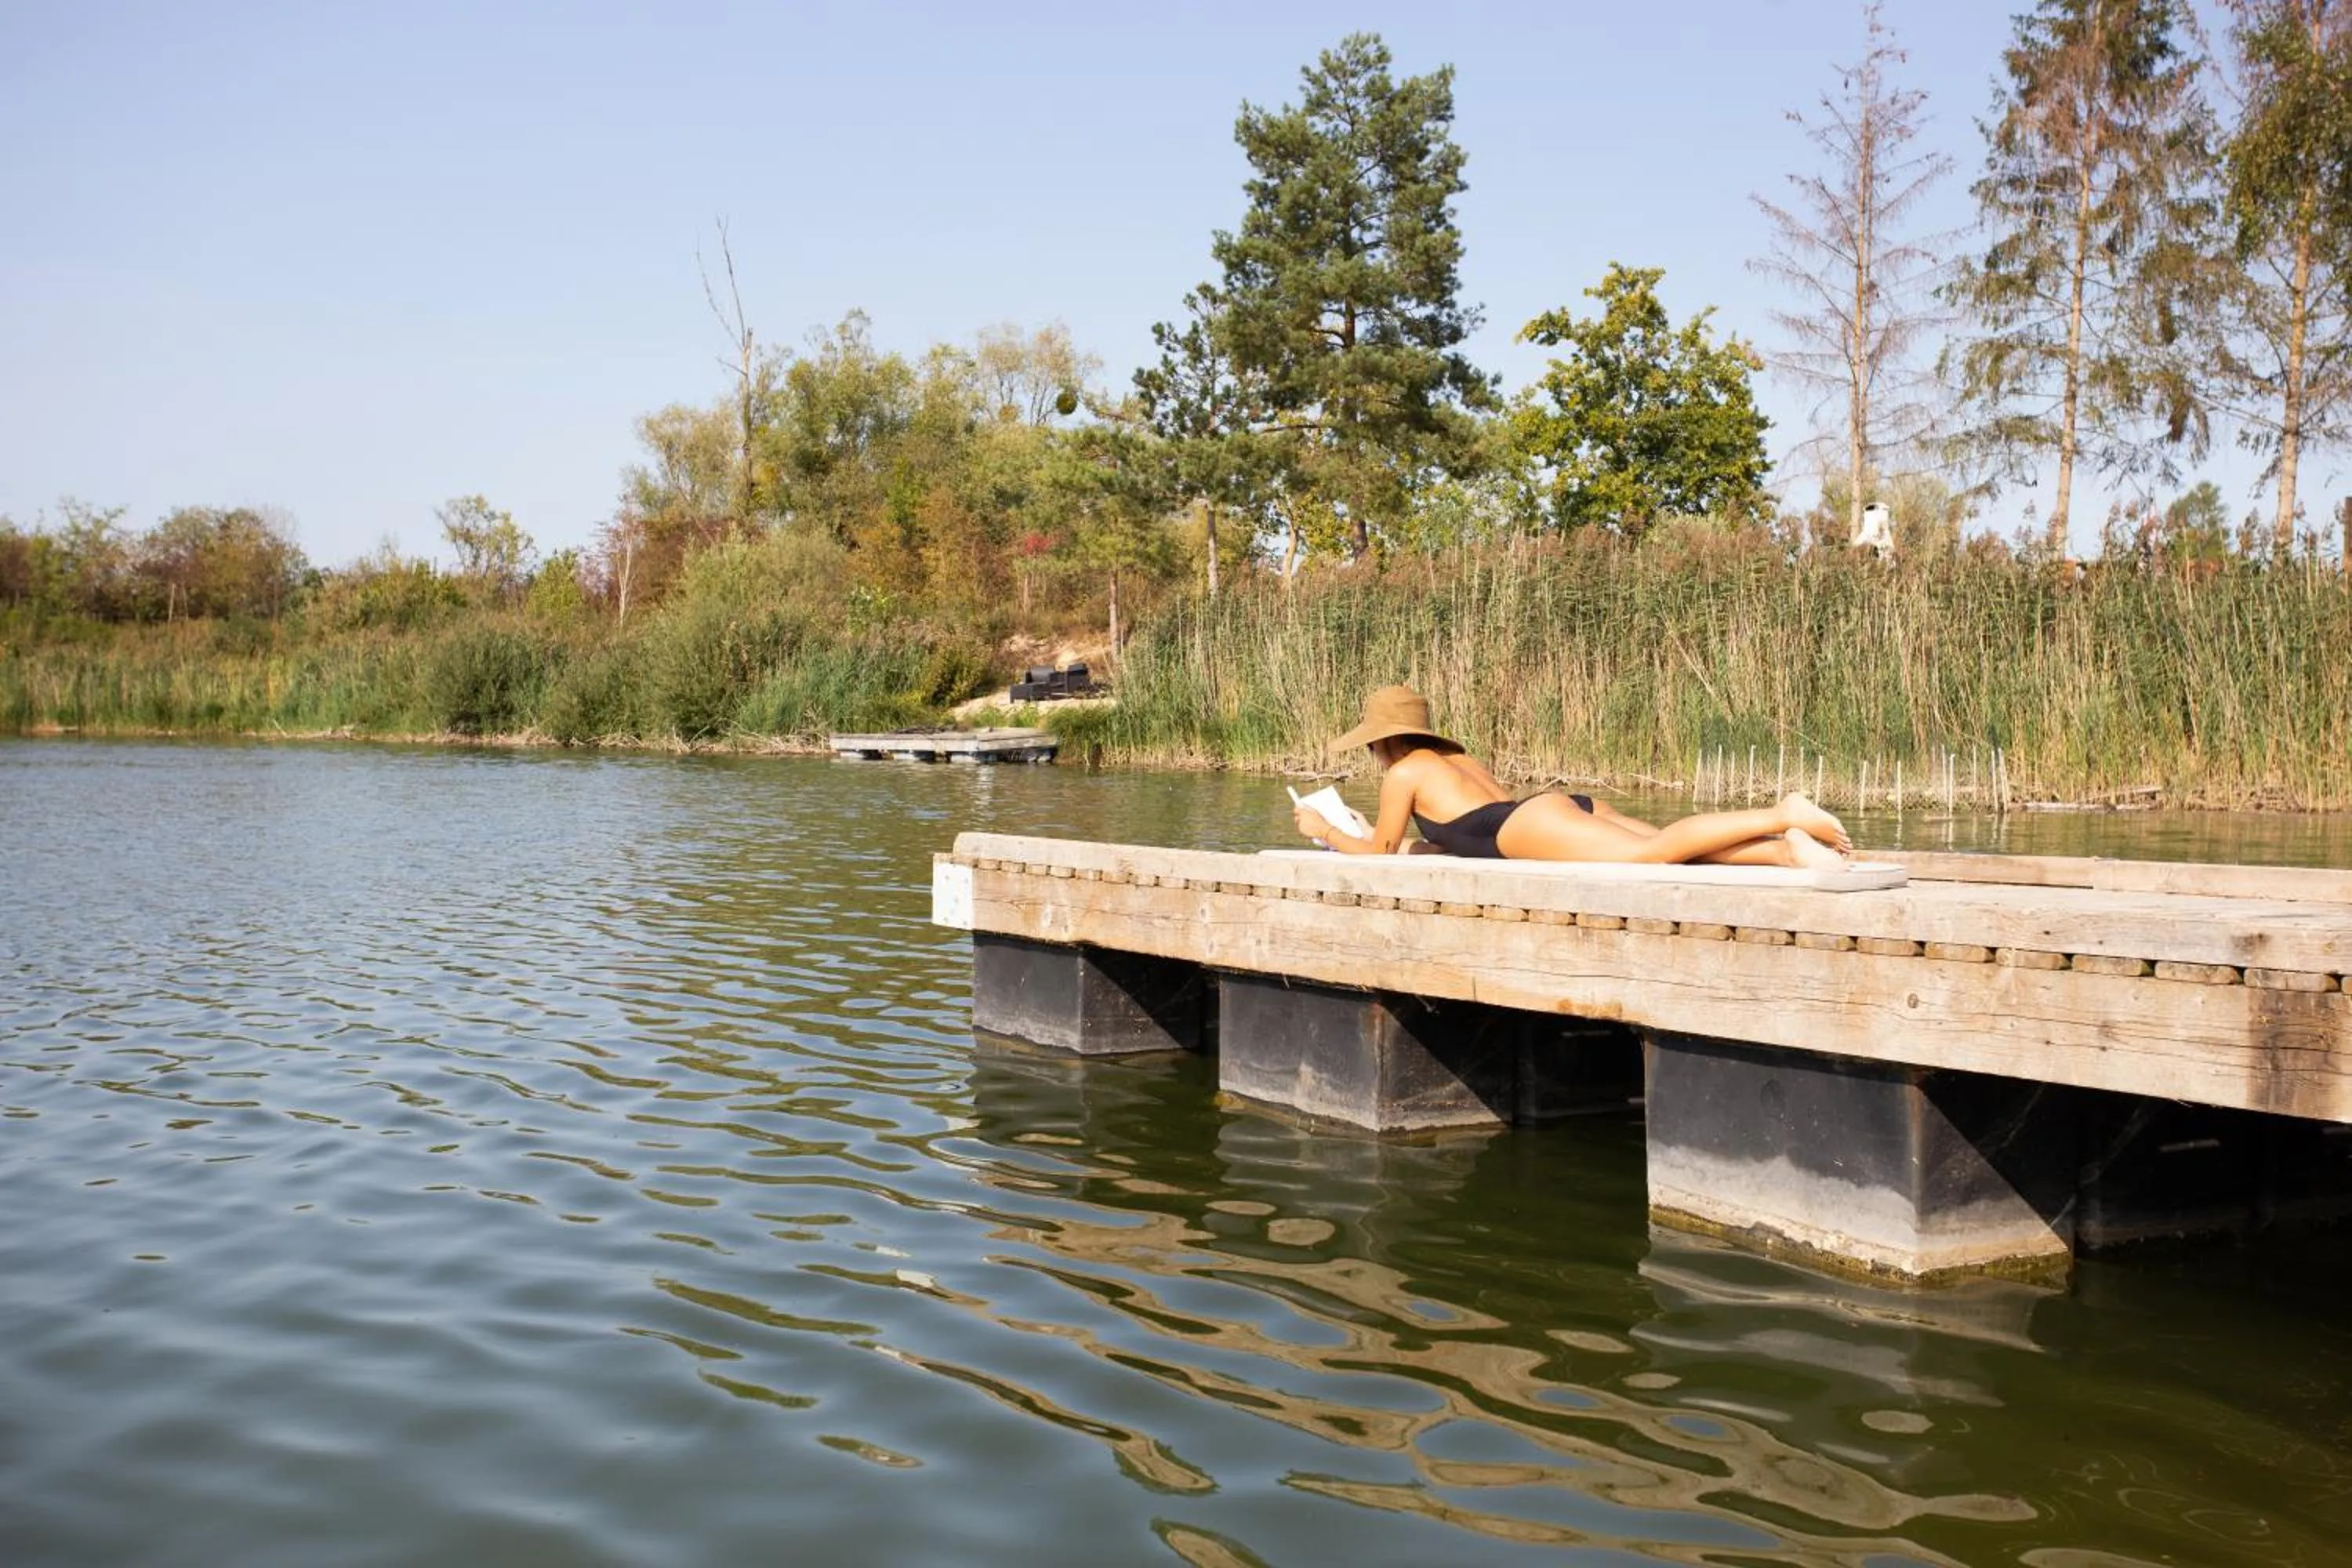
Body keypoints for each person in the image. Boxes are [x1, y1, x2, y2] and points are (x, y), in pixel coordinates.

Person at [1293, 684, 1852, 868]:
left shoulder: (1404, 772)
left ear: (1383, 741)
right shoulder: (1455, 763)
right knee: (1670, 853)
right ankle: (1784, 851)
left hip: (1525, 825)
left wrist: (1326, 830)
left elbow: (1379, 857)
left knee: (1650, 853)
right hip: (1543, 813)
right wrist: (1373, 831)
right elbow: (1456, 837)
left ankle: (1784, 812)